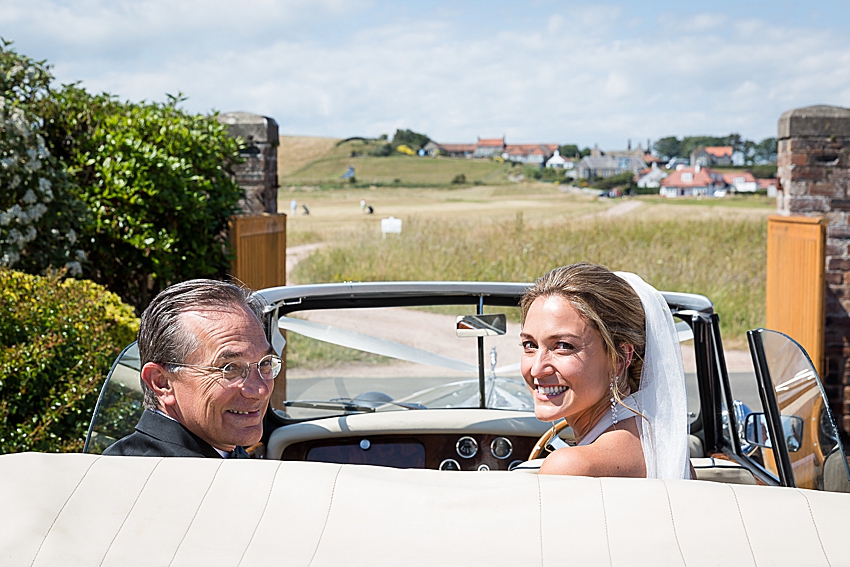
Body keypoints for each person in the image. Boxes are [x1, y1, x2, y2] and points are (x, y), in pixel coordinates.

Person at [520, 263, 691, 479]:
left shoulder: (569, 466)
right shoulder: (666, 449)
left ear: (619, 359)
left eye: (563, 346)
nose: (537, 369)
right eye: (529, 345)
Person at [103, 279, 278, 458]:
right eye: (230, 368)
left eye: (265, 363)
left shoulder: (218, 453)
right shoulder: (150, 475)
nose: (260, 390)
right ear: (162, 382)